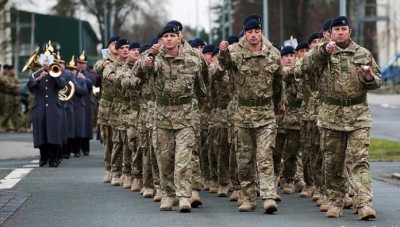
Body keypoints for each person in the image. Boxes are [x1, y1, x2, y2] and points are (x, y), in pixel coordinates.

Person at [302, 16, 381, 220]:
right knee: (333, 162)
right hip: (331, 116)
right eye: (336, 29)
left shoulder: (363, 53)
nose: (340, 32)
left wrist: (369, 78)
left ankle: (364, 203)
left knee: (359, 160)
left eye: (343, 29)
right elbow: (306, 68)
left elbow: (377, 81)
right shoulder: (321, 54)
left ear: (349, 31)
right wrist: (322, 52)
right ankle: (336, 201)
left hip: (358, 115)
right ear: (329, 33)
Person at [218, 17, 283, 213]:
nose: (253, 35)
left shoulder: (273, 54)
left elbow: (279, 83)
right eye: (249, 32)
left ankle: (268, 196)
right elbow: (225, 64)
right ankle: (248, 197)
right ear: (245, 33)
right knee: (245, 159)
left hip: (265, 113)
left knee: (265, 157)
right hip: (243, 114)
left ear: (261, 32)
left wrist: (280, 103)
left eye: (256, 31)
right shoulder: (235, 52)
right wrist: (222, 52)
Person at [141, 24, 207, 212]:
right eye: (165, 36)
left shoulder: (193, 57)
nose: (169, 39)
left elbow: (203, 82)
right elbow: (142, 71)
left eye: (172, 35)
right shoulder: (154, 57)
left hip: (186, 116)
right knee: (165, 160)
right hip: (162, 116)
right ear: (161, 40)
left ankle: (184, 196)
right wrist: (148, 58)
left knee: (183, 159)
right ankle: (169, 195)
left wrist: (204, 102)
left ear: (180, 38)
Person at [28, 51, 67, 167]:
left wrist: (53, 75)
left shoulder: (56, 72)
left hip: (53, 108)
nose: (46, 63)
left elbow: (62, 85)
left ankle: (53, 158)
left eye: (48, 61)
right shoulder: (36, 74)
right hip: (39, 108)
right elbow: (30, 86)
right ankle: (43, 156)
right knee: (41, 134)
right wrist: (39, 78)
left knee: (53, 134)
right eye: (44, 61)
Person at [94, 35, 121, 183]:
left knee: (119, 140)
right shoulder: (104, 62)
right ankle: (109, 169)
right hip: (106, 106)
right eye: (113, 44)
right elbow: (97, 68)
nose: (116, 46)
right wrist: (104, 65)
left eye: (118, 44)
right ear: (108, 47)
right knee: (107, 139)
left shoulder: (125, 61)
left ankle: (119, 170)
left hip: (120, 106)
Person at [0, 65, 22, 132]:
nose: (13, 71)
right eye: (12, 70)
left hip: (15, 96)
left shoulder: (13, 77)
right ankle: (2, 126)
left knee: (15, 113)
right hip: (8, 96)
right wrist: (15, 85)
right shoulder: (5, 77)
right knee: (7, 113)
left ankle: (17, 127)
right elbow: (9, 85)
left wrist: (16, 85)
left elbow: (18, 82)